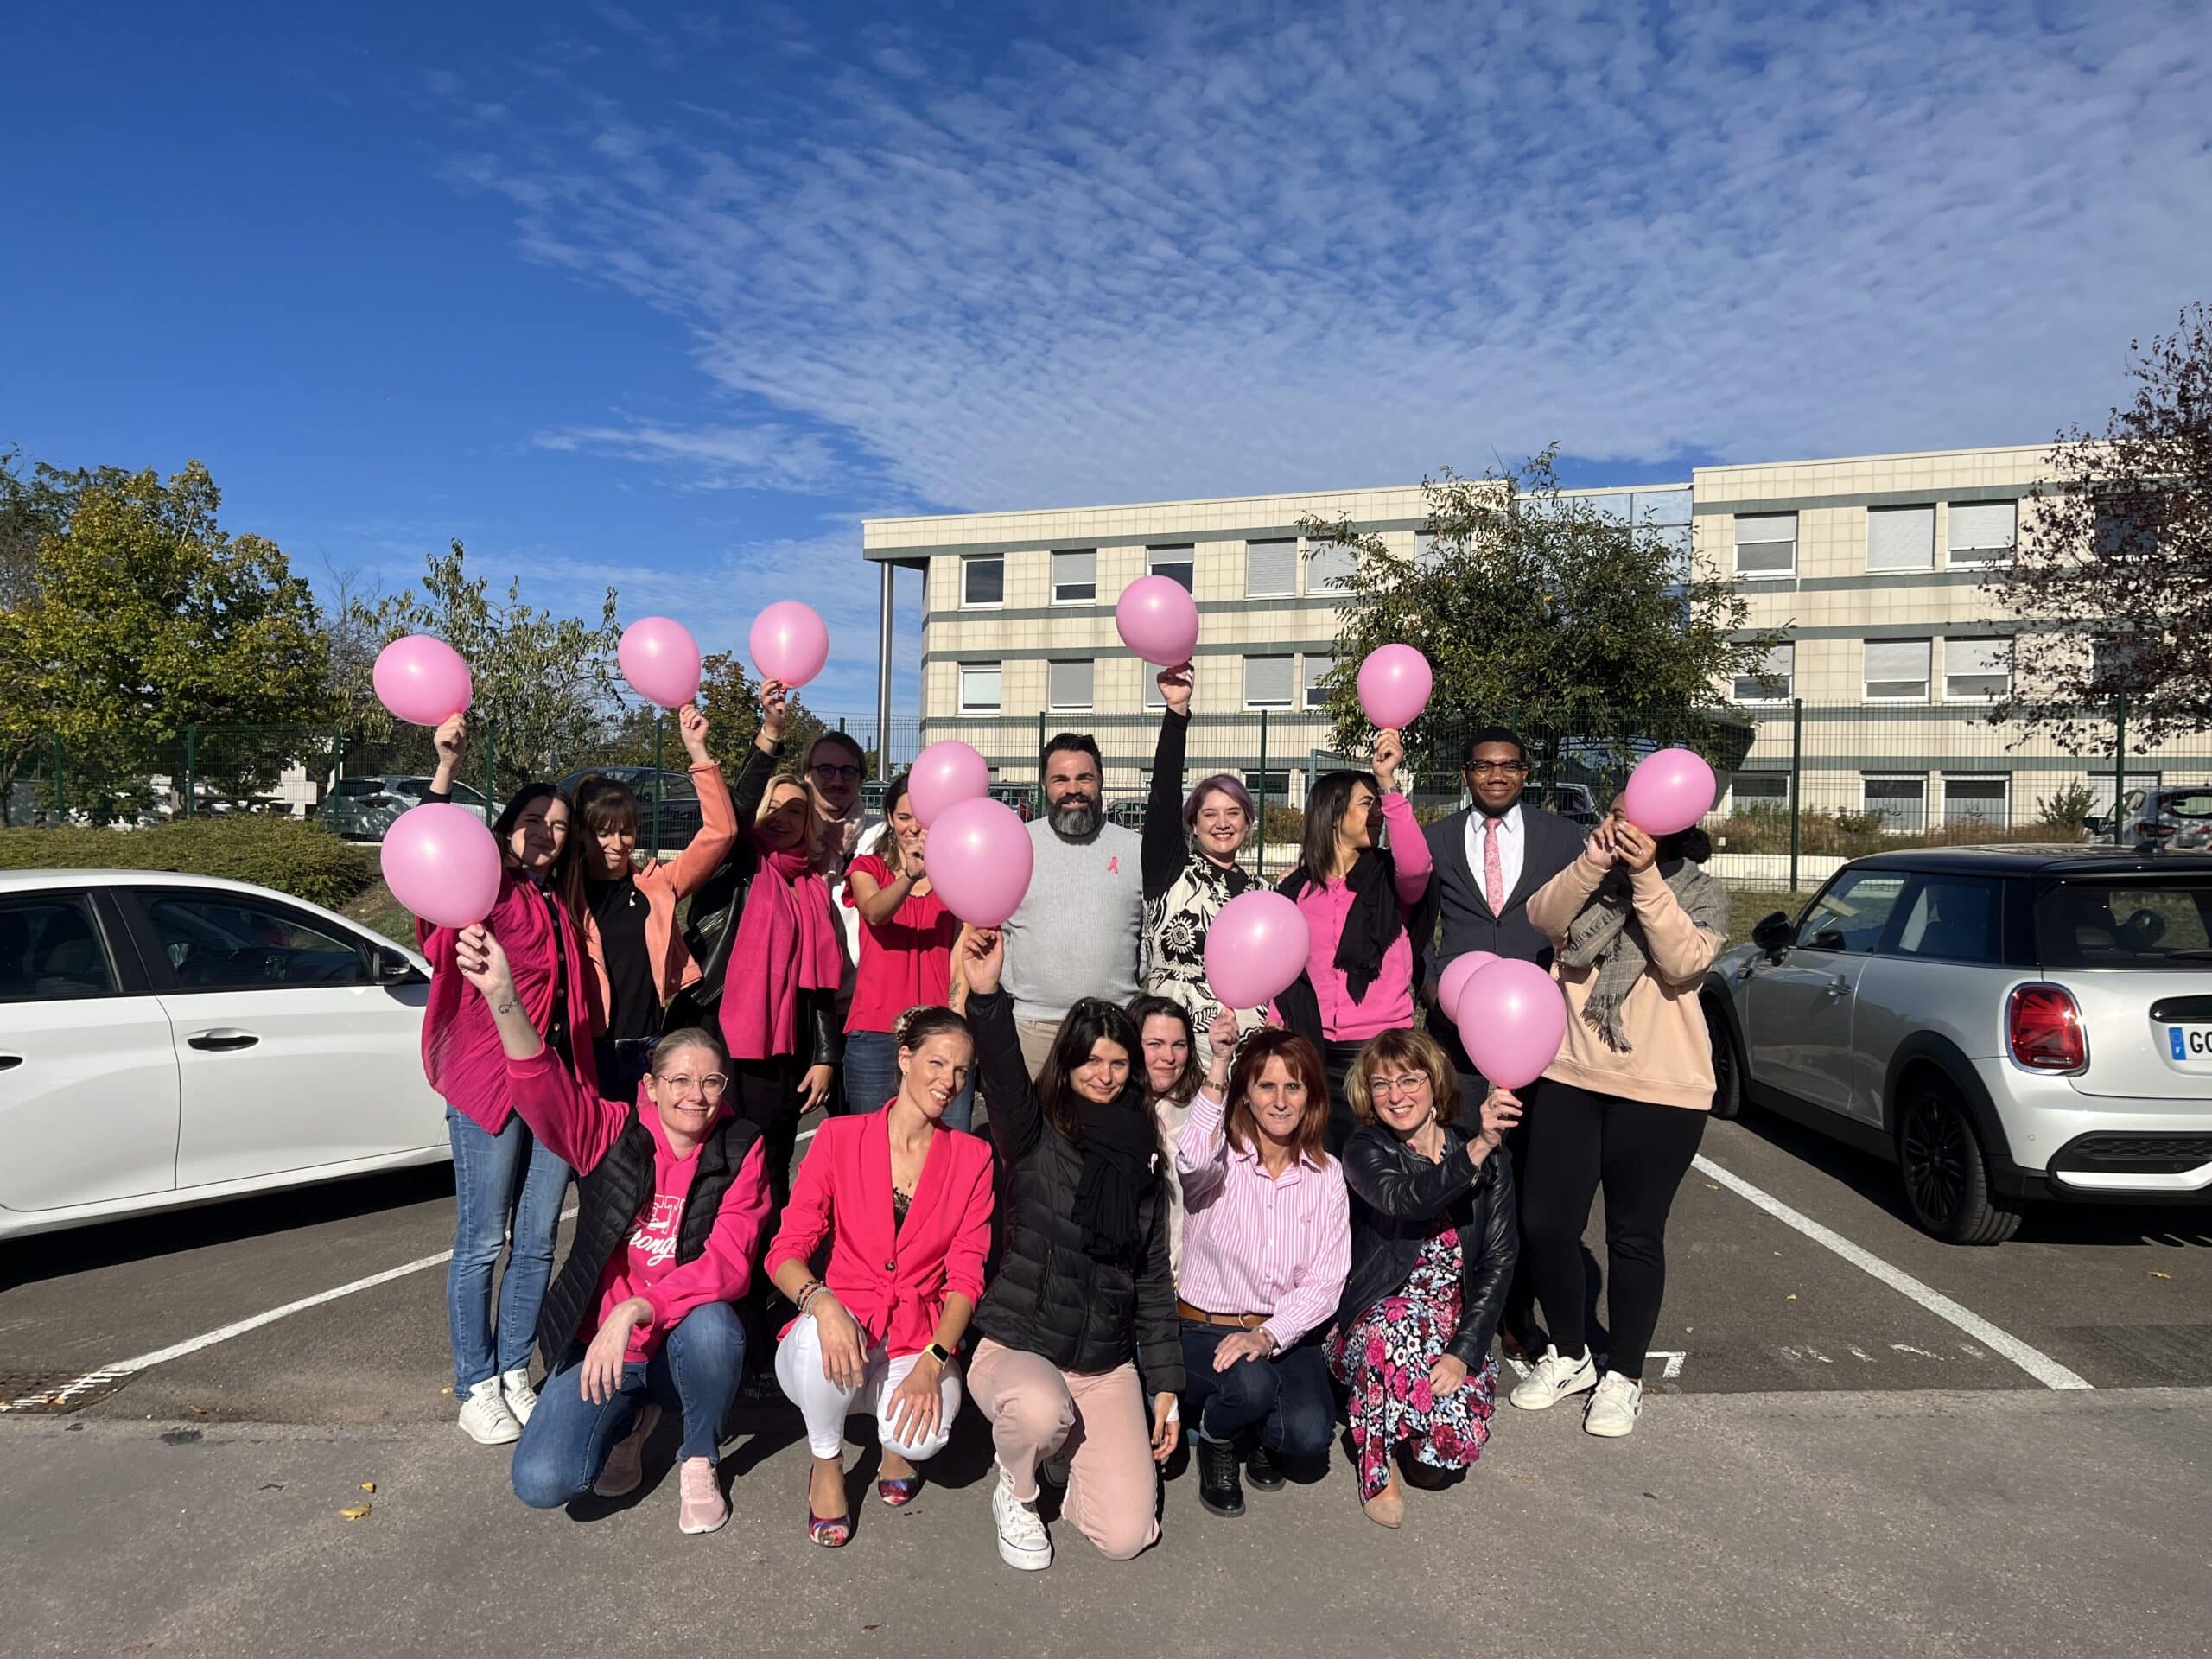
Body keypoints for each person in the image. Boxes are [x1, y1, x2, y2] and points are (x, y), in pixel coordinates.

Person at [451, 925, 770, 1536]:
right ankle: (632, 1420)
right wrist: (502, 996)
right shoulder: (612, 1131)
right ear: (650, 1086)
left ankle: (699, 1454)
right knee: (543, 1482)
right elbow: (542, 1085)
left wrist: (639, 1308)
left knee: (715, 1329)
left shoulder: (741, 1146)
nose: (696, 1096)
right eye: (679, 1080)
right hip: (605, 1349)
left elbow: (729, 1263)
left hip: (679, 1337)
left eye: (711, 1082)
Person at [961, 929, 1184, 1571]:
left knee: (1128, 1536)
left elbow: (1151, 1283)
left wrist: (1165, 1385)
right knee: (1038, 1409)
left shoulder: (1143, 1154)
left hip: (1103, 1365)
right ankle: (1018, 1487)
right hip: (1020, 1347)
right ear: (1068, 1061)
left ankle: (1062, 1452)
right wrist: (985, 997)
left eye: (1118, 1063)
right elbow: (1002, 1071)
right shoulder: (1033, 1132)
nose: (1105, 1075)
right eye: (1091, 1060)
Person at [1511, 810, 1729, 1439]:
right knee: (1547, 1225)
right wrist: (1595, 862)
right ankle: (1572, 1355)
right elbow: (1544, 918)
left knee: (1635, 1236)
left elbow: (1683, 961)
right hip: (1571, 1074)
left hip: (1662, 1089)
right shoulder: (1590, 878)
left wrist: (1645, 878)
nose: (1629, 830)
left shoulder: (1701, 891)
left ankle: (1624, 1376)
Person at [417, 714, 599, 1446]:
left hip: (551, 1087)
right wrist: (444, 772)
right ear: (505, 827)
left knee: (535, 1242)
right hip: (489, 1085)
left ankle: (514, 1370)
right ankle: (474, 1384)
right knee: (483, 1238)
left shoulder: (559, 901)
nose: (545, 834)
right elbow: (429, 881)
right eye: (531, 820)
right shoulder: (483, 889)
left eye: (557, 824)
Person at [767, 1006, 995, 1546]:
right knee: (815, 1344)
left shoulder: (973, 1157)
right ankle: (827, 1462)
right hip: (843, 1326)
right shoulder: (838, 1138)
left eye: (962, 1071)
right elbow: (785, 1251)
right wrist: (822, 1304)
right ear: (904, 1059)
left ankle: (891, 1440)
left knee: (924, 1437)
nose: (950, 1082)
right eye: (938, 1063)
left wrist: (933, 1361)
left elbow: (967, 1277)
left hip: (916, 1337)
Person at [1421, 724, 1583, 1356]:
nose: (1496, 776)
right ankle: (1452, 1302)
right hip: (1455, 1034)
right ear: (1466, 772)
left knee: (1528, 1178)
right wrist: (1433, 987)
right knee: (1462, 1169)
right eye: (1484, 766)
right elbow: (1415, 928)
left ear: (1524, 773)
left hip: (1535, 1030)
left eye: (1509, 766)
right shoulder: (1434, 840)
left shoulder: (1562, 838)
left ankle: (1517, 1309)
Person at [1332, 1030, 1520, 1527]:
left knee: (1441, 1462)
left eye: (1409, 1080)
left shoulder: (1490, 1159)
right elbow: (1408, 1199)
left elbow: (1500, 1259)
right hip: (1377, 1315)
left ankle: (1399, 1419)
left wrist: (1464, 1351)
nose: (1396, 1096)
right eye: (1381, 1085)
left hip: (1449, 1328)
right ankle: (1376, 1470)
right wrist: (1478, 1147)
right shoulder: (1365, 1148)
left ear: (1434, 1083)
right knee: (1396, 1322)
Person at [1174, 1015, 1350, 1520]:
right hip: (1207, 1325)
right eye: (1266, 1086)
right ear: (1245, 1095)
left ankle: (1254, 1425)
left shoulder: (1326, 1174)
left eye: (1292, 1087)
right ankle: (1217, 1436)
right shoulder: (1219, 1158)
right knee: (1249, 1387)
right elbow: (1188, 1161)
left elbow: (1325, 1281)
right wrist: (1220, 1063)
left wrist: (1270, 1336)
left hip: (1279, 1332)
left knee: (1309, 1436)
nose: (1279, 1100)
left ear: (1310, 1095)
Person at [562, 703, 738, 1103]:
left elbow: (721, 832)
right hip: (591, 1051)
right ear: (583, 835)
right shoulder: (566, 895)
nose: (617, 844)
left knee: (648, 1157)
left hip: (650, 1048)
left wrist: (698, 751)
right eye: (603, 833)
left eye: (626, 832)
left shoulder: (658, 885)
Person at [1273, 730, 1437, 1147]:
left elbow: (1417, 866)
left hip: (1380, 1049)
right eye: (1368, 805)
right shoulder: (1295, 890)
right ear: (1333, 814)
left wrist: (1388, 783)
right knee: (1324, 1164)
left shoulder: (1388, 878)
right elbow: (1281, 971)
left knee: (1382, 1169)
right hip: (1312, 1048)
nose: (1378, 813)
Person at [1001, 733, 1145, 1075]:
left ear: (1101, 782)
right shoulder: (1014, 845)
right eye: (1060, 779)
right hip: (1033, 1029)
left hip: (1113, 1029)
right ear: (1045, 786)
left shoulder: (1136, 849)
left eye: (1084, 778)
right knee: (1031, 1128)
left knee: (1105, 1129)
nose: (1073, 789)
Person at [841, 772, 975, 1128]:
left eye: (925, 819)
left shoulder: (960, 878)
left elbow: (963, 955)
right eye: (904, 818)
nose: (915, 828)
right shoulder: (867, 868)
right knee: (872, 1142)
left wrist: (955, 1019)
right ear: (889, 819)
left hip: (939, 1033)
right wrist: (911, 877)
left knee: (947, 1144)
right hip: (875, 1033)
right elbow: (875, 912)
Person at [1141, 664, 1259, 1067]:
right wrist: (1176, 714)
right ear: (1192, 824)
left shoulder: (1263, 892)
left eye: (1233, 812)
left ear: (1248, 821)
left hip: (1247, 1051)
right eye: (1209, 814)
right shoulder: (1170, 871)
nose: (1222, 823)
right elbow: (1162, 798)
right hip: (1176, 1049)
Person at [1128, 994, 1205, 1279]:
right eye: (1155, 1045)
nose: (1169, 1057)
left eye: (1179, 1045)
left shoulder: (1204, 1111)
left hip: (1190, 1276)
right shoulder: (1114, 1111)